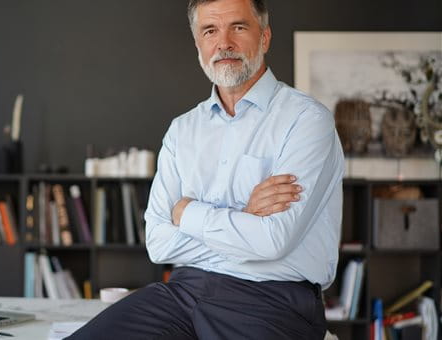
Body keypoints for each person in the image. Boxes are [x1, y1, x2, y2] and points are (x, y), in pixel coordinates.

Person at [67, 0, 344, 339]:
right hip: (181, 293)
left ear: (265, 37)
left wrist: (188, 213)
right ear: (198, 43)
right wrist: (243, 215)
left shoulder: (306, 121)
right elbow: (158, 243)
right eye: (210, 31)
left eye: (238, 27)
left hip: (271, 301)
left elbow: (273, 240)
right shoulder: (182, 130)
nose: (223, 43)